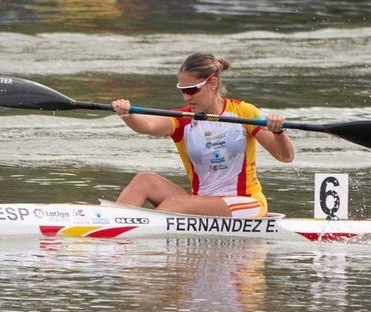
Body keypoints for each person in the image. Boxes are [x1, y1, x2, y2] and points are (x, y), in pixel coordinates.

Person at [111, 52, 295, 218]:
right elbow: (149, 125)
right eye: (182, 90)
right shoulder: (183, 118)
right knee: (145, 180)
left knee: (176, 205)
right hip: (201, 202)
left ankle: (131, 231)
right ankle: (110, 227)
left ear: (212, 83)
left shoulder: (244, 112)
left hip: (246, 203)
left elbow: (285, 157)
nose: (186, 97)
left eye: (191, 90)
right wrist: (128, 115)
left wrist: (278, 132)